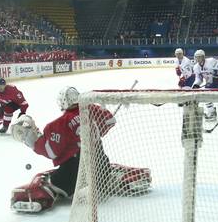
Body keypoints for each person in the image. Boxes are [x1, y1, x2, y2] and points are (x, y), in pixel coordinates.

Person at [9, 87, 151, 213]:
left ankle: (46, 196)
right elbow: (110, 122)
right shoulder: (93, 109)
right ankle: (112, 181)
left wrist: (32, 140)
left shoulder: (59, 124)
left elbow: (51, 152)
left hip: (73, 175)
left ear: (63, 102)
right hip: (101, 166)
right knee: (99, 164)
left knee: (51, 183)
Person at [191, 49, 218, 120]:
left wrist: (217, 71)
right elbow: (199, 79)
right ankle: (212, 110)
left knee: (206, 94)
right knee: (206, 95)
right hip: (209, 83)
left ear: (203, 57)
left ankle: (212, 113)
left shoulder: (211, 61)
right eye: (196, 57)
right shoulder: (196, 67)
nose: (198, 59)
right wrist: (196, 85)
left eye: (199, 57)